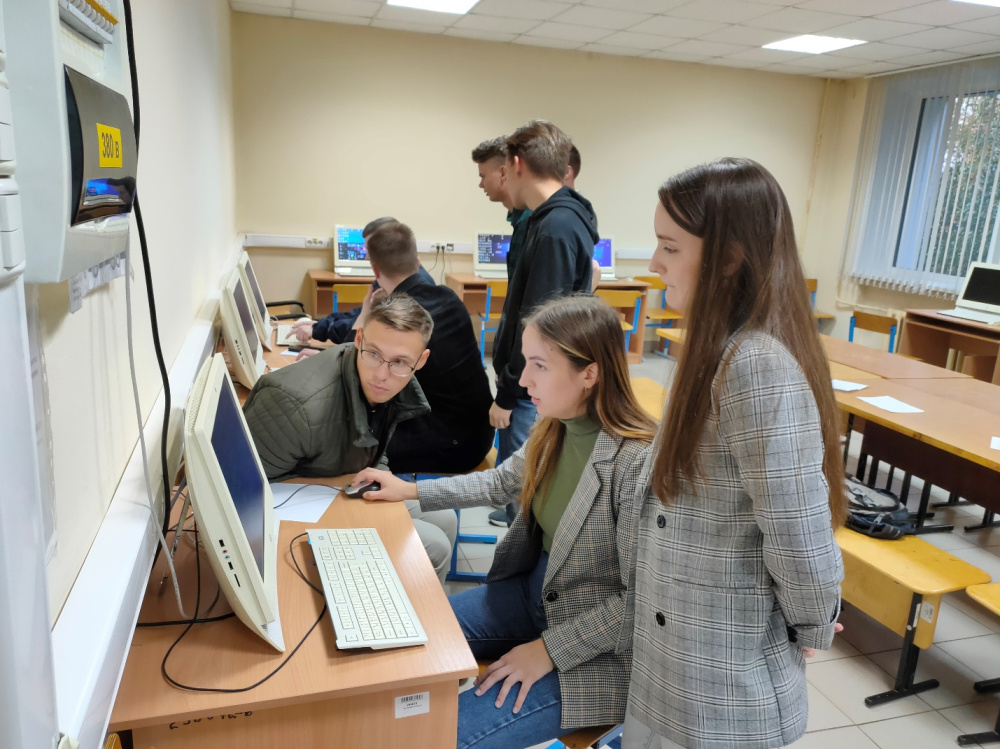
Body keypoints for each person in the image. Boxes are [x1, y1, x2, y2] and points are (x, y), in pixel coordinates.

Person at [352, 295, 656, 749]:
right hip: (533, 595)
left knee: (446, 736)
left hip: (596, 648)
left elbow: (642, 602)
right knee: (398, 641)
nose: (523, 379)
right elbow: (499, 483)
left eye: (539, 365)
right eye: (524, 361)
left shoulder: (637, 462)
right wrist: (409, 490)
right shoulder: (555, 424)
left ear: (589, 374)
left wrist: (548, 650)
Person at [619, 158, 846, 749]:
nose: (654, 263)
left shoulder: (757, 364)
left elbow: (798, 528)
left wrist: (812, 619)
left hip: (721, 676)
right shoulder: (716, 348)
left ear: (729, 258)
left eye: (670, 247)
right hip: (678, 657)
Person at [242, 294, 457, 584]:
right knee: (433, 544)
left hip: (337, 482)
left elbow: (372, 445)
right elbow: (245, 495)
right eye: (373, 354)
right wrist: (357, 512)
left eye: (400, 362)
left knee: (444, 516)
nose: (382, 375)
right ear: (358, 339)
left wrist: (379, 481)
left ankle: (403, 600)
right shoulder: (293, 405)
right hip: (300, 506)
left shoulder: (391, 383)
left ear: (421, 360)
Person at [489, 120, 599, 526]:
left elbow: (538, 324)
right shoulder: (549, 219)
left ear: (517, 164)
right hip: (531, 380)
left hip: (531, 385)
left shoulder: (555, 227)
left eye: (503, 169)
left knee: (524, 496)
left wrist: (508, 392)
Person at [360, 220, 494, 473]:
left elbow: (358, 365)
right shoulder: (446, 296)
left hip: (453, 443)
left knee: (347, 446)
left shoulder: (404, 318)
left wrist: (367, 309)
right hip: (478, 429)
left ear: (375, 270)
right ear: (418, 261)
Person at [290, 216, 436, 347]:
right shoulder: (391, 278)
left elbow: (368, 325)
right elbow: (361, 314)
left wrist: (321, 329)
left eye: (371, 249)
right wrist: (320, 323)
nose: (366, 256)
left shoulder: (413, 292)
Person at [471, 136, 532, 284]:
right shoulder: (520, 219)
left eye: (483, 176)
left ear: (503, 173)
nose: (481, 184)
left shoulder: (527, 222)